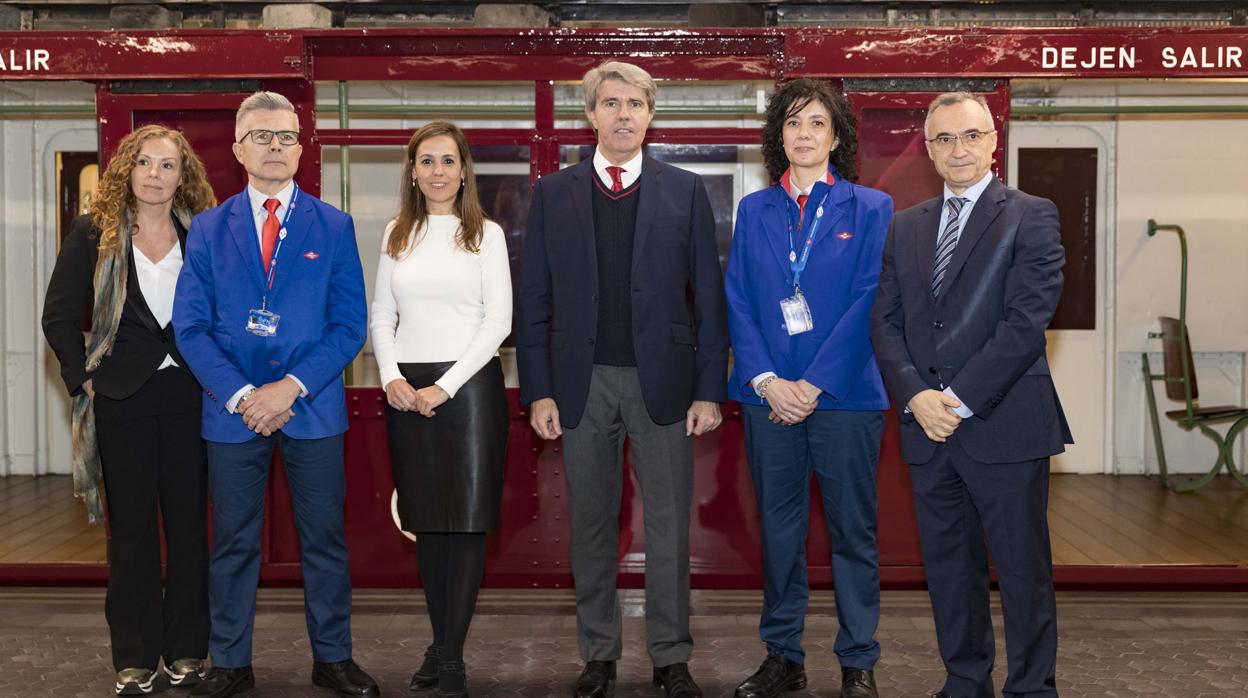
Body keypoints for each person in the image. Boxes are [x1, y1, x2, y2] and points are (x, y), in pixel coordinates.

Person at [516, 60, 729, 698]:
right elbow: (534, 299)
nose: (624, 114)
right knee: (590, 523)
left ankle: (671, 657)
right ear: (591, 115)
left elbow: (708, 301)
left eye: (635, 103)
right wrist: (539, 389)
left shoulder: (684, 191)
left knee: (668, 525)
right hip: (579, 384)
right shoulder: (553, 193)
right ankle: (599, 655)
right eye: (611, 103)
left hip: (662, 382)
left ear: (650, 113)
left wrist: (709, 389)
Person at [171, 91, 378, 698]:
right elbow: (191, 328)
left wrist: (287, 387)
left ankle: (333, 657)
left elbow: (349, 326)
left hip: (310, 407)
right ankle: (230, 661)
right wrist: (243, 396)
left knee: (325, 540)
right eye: (263, 136)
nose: (276, 147)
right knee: (233, 541)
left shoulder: (333, 225)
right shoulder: (209, 229)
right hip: (233, 413)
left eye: (287, 136)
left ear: (301, 147)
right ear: (238, 148)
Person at [869, 92, 1072, 698]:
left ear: (992, 140)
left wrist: (953, 399)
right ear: (929, 150)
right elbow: (886, 322)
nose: (957, 149)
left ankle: (1032, 688)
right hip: (927, 431)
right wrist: (917, 397)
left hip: (1003, 424)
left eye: (969, 136)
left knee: (1022, 572)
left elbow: (1025, 323)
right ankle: (965, 682)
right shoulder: (905, 226)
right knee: (950, 571)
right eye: (943, 139)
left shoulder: (1031, 214)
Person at [724, 79, 892, 698]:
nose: (804, 134)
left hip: (846, 398)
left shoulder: (871, 208)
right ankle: (783, 658)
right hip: (767, 399)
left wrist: (814, 384)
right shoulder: (754, 209)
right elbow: (738, 299)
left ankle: (858, 660)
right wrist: (768, 381)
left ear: (837, 136)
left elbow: (869, 301)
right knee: (779, 532)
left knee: (853, 533)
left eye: (816, 123)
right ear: (779, 137)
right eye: (793, 123)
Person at [42, 124, 216, 696]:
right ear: (127, 170)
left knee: (190, 529)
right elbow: (59, 315)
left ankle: (188, 649)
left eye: (168, 165)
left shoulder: (204, 235)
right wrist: (82, 378)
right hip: (122, 398)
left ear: (182, 174)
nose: (155, 175)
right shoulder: (94, 232)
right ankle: (136, 656)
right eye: (144, 163)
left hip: (194, 396)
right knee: (133, 532)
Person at [371, 121, 512, 697]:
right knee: (427, 526)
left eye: (447, 160)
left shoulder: (487, 234)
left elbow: (497, 322)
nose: (437, 171)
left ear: (463, 170)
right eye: (426, 160)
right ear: (413, 170)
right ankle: (442, 642)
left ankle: (449, 657)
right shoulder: (395, 233)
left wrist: (445, 387)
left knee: (467, 525)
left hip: (469, 388)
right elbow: (382, 315)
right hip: (407, 389)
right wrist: (391, 378)